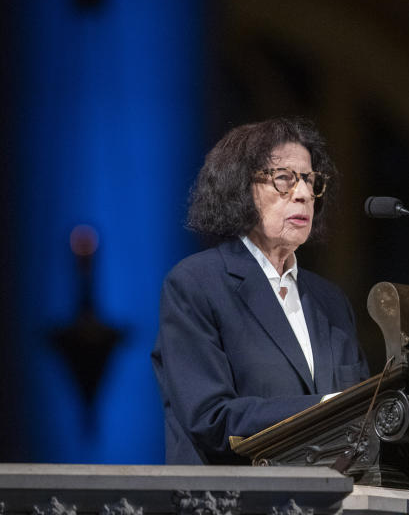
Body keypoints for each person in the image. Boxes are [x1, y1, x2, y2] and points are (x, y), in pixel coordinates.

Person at [151, 117, 369, 464]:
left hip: (336, 511)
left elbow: (364, 420)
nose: (303, 194)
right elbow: (212, 419)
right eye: (284, 179)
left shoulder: (332, 302)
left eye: (311, 181)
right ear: (240, 188)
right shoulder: (196, 284)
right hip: (233, 509)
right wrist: (327, 409)